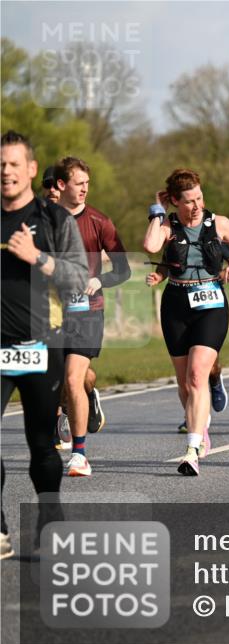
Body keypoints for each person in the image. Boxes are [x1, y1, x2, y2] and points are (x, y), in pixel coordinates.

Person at [1, 131, 88, 558]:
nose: (6, 171)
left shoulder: (55, 221)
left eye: (15, 164)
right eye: (1, 164)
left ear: (32, 170)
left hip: (41, 344)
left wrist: (37, 257)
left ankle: (49, 522)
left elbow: (79, 278)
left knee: (40, 442)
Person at [143, 169, 229, 476]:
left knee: (195, 376)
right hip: (176, 304)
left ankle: (192, 449)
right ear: (175, 201)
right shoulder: (167, 223)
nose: (196, 205)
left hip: (211, 303)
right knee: (184, 383)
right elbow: (152, 247)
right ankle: (201, 426)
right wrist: (157, 211)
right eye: (189, 201)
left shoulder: (219, 223)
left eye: (200, 198)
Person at [53, 156, 131, 477]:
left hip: (88, 311)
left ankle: (79, 454)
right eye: (78, 183)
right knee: (64, 380)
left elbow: (123, 269)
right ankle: (88, 394)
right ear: (61, 185)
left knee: (71, 377)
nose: (85, 189)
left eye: (88, 183)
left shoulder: (100, 222)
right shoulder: (44, 221)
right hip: (51, 313)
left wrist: (100, 280)